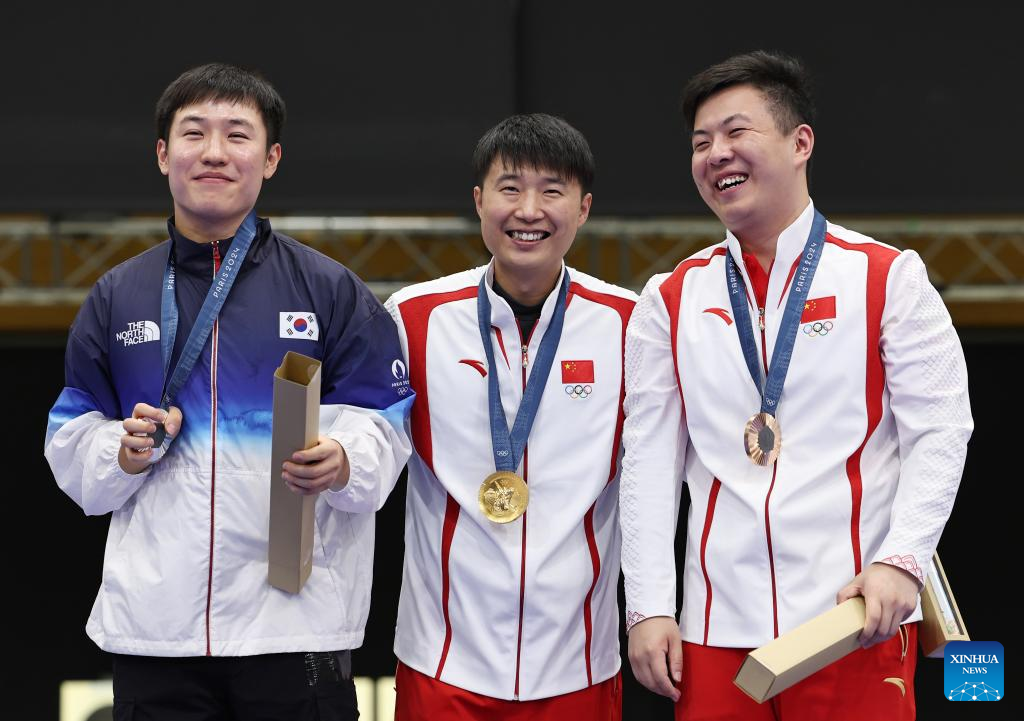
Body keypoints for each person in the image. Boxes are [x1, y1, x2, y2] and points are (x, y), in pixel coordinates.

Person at [44, 63, 412, 720]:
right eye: (194, 133)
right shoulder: (116, 295)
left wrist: (346, 457)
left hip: (296, 623)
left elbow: (387, 420)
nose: (214, 152)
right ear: (163, 154)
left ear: (270, 158)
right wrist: (118, 451)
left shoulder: (330, 289)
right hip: (156, 631)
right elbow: (71, 440)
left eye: (237, 134)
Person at [620, 50, 972, 720]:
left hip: (854, 618)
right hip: (714, 631)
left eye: (735, 132)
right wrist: (649, 606)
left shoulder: (887, 277)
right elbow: (647, 466)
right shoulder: (668, 298)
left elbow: (943, 429)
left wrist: (903, 559)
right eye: (701, 143)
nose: (716, 154)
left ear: (800, 141)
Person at [385, 114, 636, 719]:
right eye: (510, 188)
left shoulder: (631, 324)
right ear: (478, 201)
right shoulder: (412, 318)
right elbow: (369, 459)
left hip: (579, 660)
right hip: (442, 660)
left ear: (583, 208)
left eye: (552, 191)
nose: (529, 210)